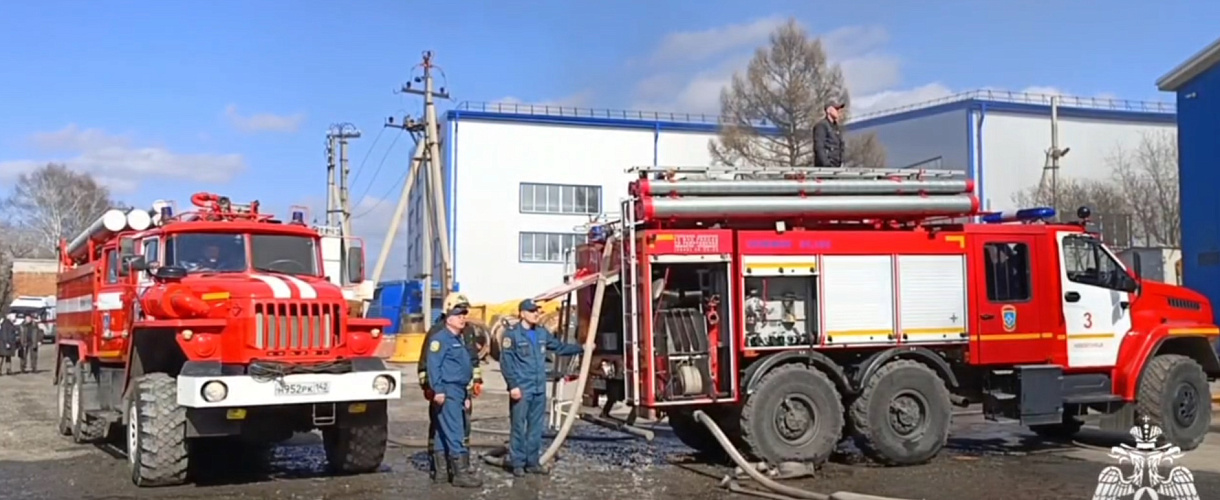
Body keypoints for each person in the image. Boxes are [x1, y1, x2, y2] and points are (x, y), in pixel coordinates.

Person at [499, 299, 585, 477]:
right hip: (522, 387)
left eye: (537, 311)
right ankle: (517, 463)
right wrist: (512, 386)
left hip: (538, 388)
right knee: (518, 426)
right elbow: (506, 363)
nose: (536, 314)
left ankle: (532, 462)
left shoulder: (541, 333)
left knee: (536, 427)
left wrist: (581, 348)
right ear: (522, 313)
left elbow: (559, 347)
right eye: (531, 311)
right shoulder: (512, 335)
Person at [417, 292, 485, 483]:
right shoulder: (439, 335)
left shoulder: (463, 334)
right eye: (459, 314)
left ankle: (443, 473)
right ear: (449, 315)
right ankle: (459, 473)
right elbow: (429, 364)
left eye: (465, 314)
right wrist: (433, 388)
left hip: (459, 389)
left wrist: (473, 385)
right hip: (447, 389)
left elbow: (470, 360)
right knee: (455, 430)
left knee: (444, 430)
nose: (464, 318)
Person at [813, 101, 846, 168]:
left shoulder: (837, 128)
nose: (838, 111)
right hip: (825, 169)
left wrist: (842, 162)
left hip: (837, 167)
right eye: (836, 109)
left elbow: (841, 146)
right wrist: (826, 164)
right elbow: (819, 147)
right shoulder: (821, 126)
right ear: (828, 110)